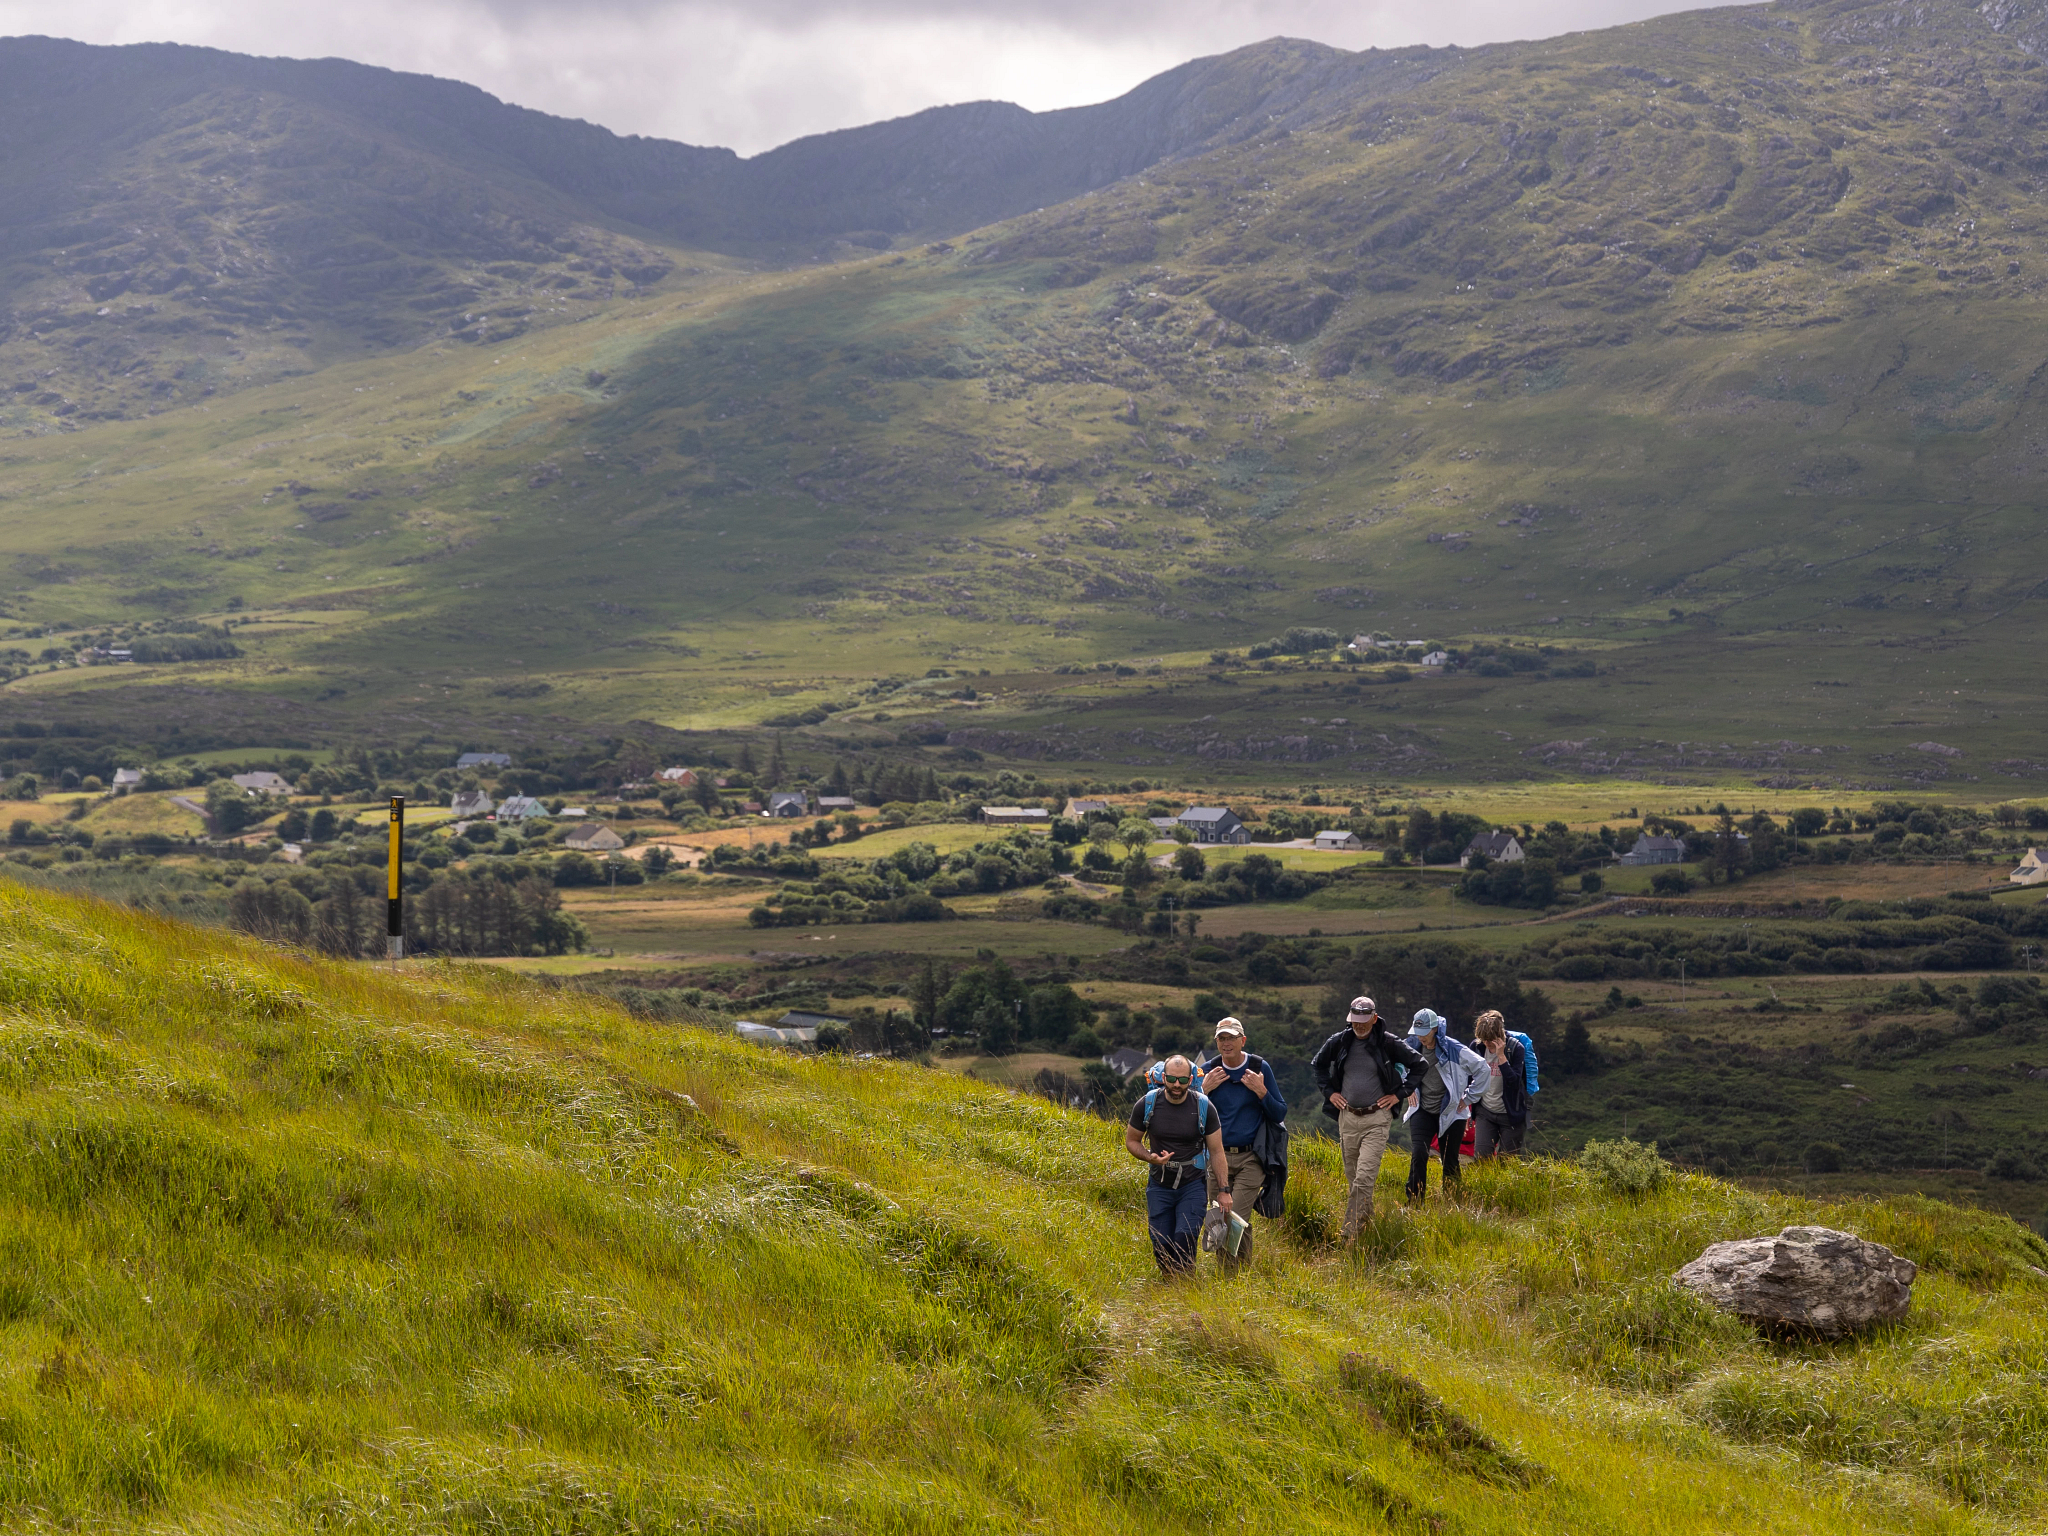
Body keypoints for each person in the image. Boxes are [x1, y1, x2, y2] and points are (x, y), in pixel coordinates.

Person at [1310, 995, 1427, 1242]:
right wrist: (1330, 1093)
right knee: (1354, 1180)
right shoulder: (1340, 1042)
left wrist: (1399, 1095)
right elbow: (1318, 1065)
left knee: (1364, 1179)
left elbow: (1420, 1065)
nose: (1360, 1026)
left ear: (1374, 1018)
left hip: (1377, 1118)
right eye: (1355, 1021)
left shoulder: (1388, 1043)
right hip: (1348, 1118)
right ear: (1349, 1019)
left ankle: (1348, 1236)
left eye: (1364, 1021)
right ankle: (1369, 1232)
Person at [1123, 1054, 1232, 1277]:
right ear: (1163, 1077)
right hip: (1159, 1183)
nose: (1176, 1085)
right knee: (1161, 1241)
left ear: (1191, 1080)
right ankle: (1169, 1283)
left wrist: (1223, 1191)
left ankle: (1185, 1284)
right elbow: (1132, 1141)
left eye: (1182, 1080)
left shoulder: (1204, 1107)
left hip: (1192, 1184)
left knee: (1186, 1235)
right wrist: (1149, 1157)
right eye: (1171, 1079)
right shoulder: (1147, 1104)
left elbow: (1217, 1151)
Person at [1197, 1017, 1287, 1265]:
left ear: (1242, 1040)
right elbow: (1192, 1115)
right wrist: (1203, 1091)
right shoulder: (1209, 1069)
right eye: (1221, 1039)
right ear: (1216, 1042)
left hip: (1251, 1157)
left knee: (1234, 1216)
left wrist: (1262, 1092)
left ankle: (1227, 1274)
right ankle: (1239, 1275)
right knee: (1220, 1217)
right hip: (1217, 1156)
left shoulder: (1259, 1067)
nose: (1226, 1044)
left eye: (1232, 1038)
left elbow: (1279, 1113)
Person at [1403, 1009, 1489, 1201]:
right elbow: (1395, 1065)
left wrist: (1467, 1098)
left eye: (1424, 1032)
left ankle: (1452, 1202)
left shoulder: (1454, 1049)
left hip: (1451, 1112)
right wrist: (1406, 1087)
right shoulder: (1411, 1046)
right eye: (1417, 1032)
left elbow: (1483, 1068)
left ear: (1434, 1029)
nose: (1420, 1037)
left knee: (1450, 1160)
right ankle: (1414, 1203)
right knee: (1419, 1154)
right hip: (1422, 1109)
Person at [1471, 1010, 1530, 1159]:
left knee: (1506, 1163)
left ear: (1499, 1036)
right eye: (1483, 1039)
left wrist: (1501, 1056)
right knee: (1482, 1160)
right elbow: (1468, 1078)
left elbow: (1514, 1083)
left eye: (1490, 1039)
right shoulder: (1477, 1047)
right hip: (1485, 1112)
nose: (1486, 1043)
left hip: (1511, 1116)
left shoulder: (1516, 1049)